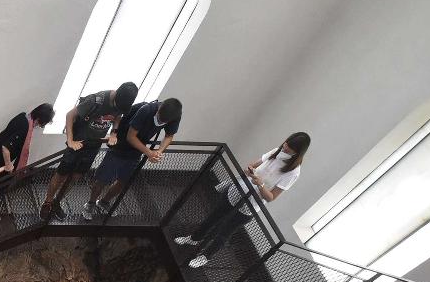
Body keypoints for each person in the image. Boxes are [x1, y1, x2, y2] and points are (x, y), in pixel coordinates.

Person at [177, 132, 310, 268]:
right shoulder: (276, 151)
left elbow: (271, 197)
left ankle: (205, 256)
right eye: (286, 143)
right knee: (213, 217)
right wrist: (250, 170)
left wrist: (260, 184)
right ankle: (194, 238)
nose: (285, 147)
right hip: (236, 191)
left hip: (250, 205)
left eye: (289, 147)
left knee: (225, 232)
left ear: (297, 152)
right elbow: (254, 165)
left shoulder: (293, 172)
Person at [40, 82, 138, 220]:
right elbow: (70, 115)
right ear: (116, 95)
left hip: (94, 145)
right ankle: (48, 202)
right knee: (61, 174)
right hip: (78, 141)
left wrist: (114, 133)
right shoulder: (96, 100)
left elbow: (117, 118)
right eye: (117, 106)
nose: (117, 109)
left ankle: (57, 202)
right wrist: (70, 140)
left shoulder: (122, 103)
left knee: (76, 177)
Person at [82, 97, 182, 221]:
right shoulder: (146, 110)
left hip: (136, 152)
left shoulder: (175, 115)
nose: (160, 122)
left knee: (123, 181)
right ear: (159, 109)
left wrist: (159, 151)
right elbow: (131, 137)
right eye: (159, 118)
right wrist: (149, 153)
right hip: (119, 146)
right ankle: (90, 204)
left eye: (163, 122)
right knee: (103, 178)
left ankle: (103, 202)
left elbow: (169, 135)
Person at [0, 103, 56, 179]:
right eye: (41, 125)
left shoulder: (23, 116)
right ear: (38, 119)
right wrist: (8, 166)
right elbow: (5, 148)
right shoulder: (25, 127)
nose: (38, 126)